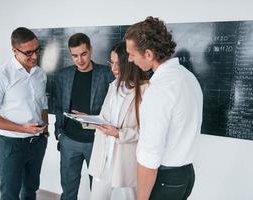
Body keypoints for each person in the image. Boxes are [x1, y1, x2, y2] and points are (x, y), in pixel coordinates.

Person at [125, 16, 203, 200]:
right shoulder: (188, 77)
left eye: (132, 54)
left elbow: (149, 155)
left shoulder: (159, 91)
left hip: (165, 180)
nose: (129, 59)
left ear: (149, 54)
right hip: (186, 175)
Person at [0, 27, 49, 200]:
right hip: (12, 145)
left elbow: (43, 104)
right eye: (28, 52)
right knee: (10, 193)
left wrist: (45, 130)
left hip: (37, 143)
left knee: (31, 189)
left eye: (37, 50)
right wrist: (22, 128)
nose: (34, 56)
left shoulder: (40, 74)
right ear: (14, 51)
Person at [53, 32, 113, 200]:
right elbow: (58, 106)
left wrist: (90, 118)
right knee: (68, 189)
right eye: (75, 56)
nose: (80, 60)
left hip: (97, 142)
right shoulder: (63, 75)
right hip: (69, 141)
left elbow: (113, 110)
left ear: (91, 50)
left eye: (83, 54)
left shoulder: (107, 74)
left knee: (99, 192)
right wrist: (59, 133)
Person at [88, 41, 148, 200]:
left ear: (130, 63)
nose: (113, 69)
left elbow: (147, 133)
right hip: (103, 158)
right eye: (112, 63)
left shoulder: (146, 90)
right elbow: (105, 118)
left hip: (124, 162)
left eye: (118, 64)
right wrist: (89, 120)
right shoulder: (113, 86)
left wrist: (118, 134)